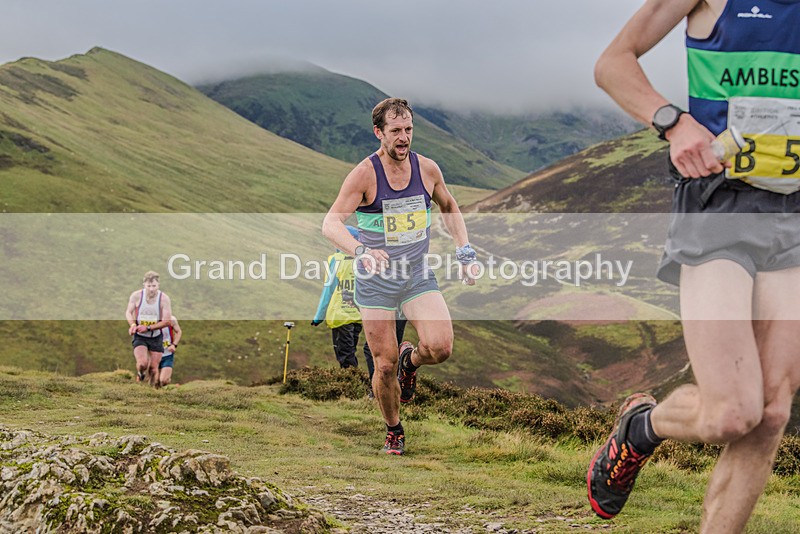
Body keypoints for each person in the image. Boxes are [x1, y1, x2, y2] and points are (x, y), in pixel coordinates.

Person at [587, 2, 800, 532]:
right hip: (719, 204)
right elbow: (613, 63)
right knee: (732, 413)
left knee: (771, 413)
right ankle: (641, 428)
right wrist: (674, 123)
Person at [322, 97, 479, 455]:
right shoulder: (364, 174)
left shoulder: (427, 170)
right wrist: (361, 251)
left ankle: (413, 362)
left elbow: (449, 206)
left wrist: (464, 251)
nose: (404, 137)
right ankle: (394, 430)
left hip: (416, 275)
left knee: (440, 347)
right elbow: (331, 223)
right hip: (376, 283)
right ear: (379, 133)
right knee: (384, 365)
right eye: (395, 131)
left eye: (408, 129)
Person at [311, 225, 408, 398]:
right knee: (359, 353)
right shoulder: (367, 262)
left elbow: (328, 290)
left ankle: (354, 389)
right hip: (359, 316)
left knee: (346, 355)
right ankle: (366, 388)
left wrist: (318, 317)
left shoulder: (336, 260)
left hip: (339, 316)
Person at [125, 271, 173, 388]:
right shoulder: (136, 296)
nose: (151, 289)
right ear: (144, 285)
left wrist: (148, 327)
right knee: (142, 364)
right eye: (149, 286)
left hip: (156, 336)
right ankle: (140, 374)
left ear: (158, 285)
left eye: (154, 286)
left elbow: (167, 321)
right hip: (140, 336)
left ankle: (150, 391)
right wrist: (132, 325)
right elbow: (128, 312)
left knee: (153, 368)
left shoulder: (164, 299)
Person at [158, 315, 182, 387]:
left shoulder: (171, 319)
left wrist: (174, 345)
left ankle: (167, 380)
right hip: (154, 355)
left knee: (163, 380)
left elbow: (178, 331)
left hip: (167, 354)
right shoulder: (151, 319)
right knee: (154, 382)